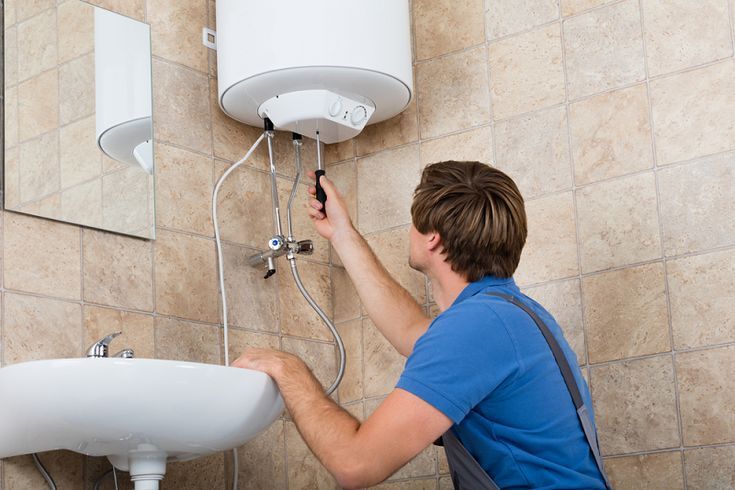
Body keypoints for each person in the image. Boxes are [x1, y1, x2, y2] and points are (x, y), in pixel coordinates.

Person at [233, 160, 609, 489]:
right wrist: (342, 234)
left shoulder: (477, 328)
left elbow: (355, 464)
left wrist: (290, 370)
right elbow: (411, 331)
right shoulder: (510, 315)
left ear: (432, 237)